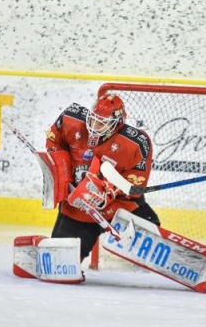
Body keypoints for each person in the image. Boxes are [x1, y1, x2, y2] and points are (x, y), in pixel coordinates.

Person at [45, 93, 161, 263]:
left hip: (119, 204)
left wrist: (108, 192)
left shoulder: (136, 143)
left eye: (102, 123)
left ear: (118, 123)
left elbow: (136, 184)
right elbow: (54, 142)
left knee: (152, 233)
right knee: (61, 262)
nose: (94, 126)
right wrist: (65, 177)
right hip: (79, 205)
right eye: (93, 119)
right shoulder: (72, 119)